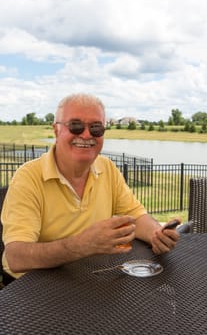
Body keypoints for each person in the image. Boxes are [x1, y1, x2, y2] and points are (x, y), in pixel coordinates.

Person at [1, 93, 180, 284]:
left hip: (88, 276)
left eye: (96, 128)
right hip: (31, 286)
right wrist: (80, 246)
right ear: (56, 131)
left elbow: (135, 216)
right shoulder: (28, 177)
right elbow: (16, 257)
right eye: (76, 126)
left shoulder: (107, 168)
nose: (86, 135)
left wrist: (156, 234)